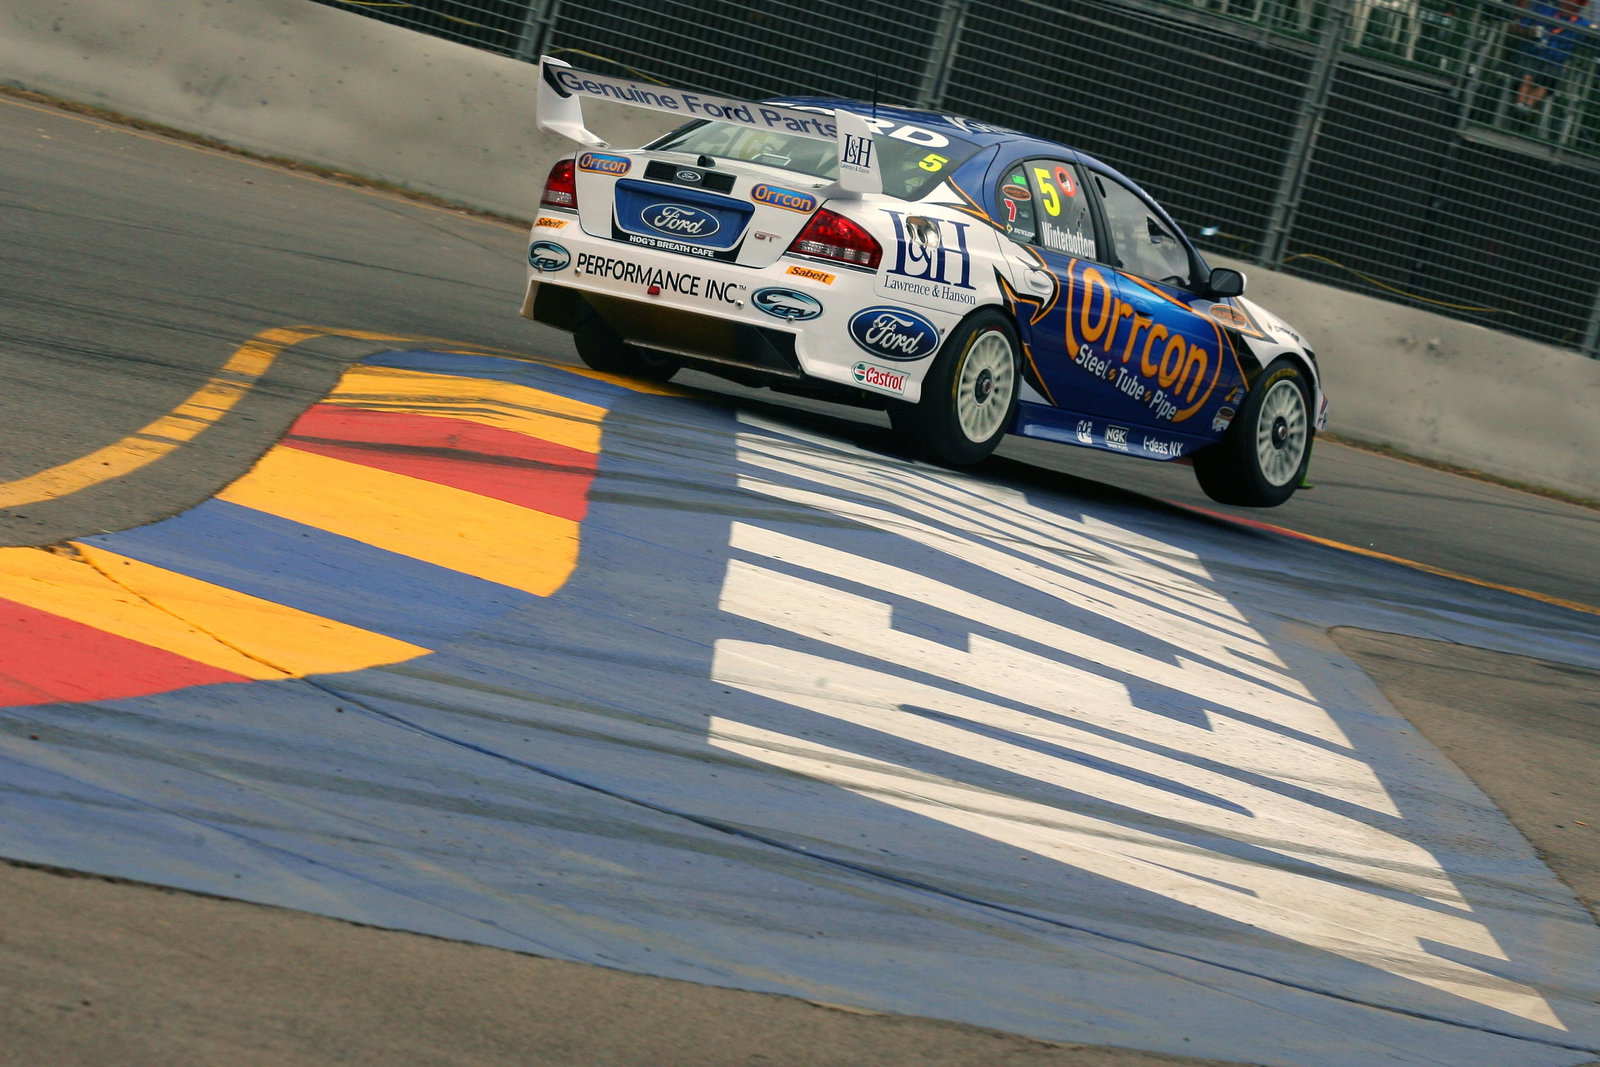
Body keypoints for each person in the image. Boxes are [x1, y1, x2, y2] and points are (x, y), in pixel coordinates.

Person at [1508, 0, 1595, 113]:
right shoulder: (1545, 10)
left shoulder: (1583, 24)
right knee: (1527, 75)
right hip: (1533, 53)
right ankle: (1520, 104)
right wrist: (1530, 31)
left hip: (1554, 62)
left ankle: (1527, 106)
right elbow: (1518, 26)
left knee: (1546, 81)